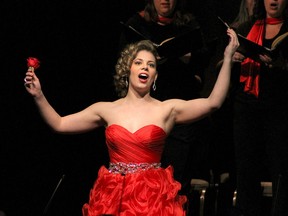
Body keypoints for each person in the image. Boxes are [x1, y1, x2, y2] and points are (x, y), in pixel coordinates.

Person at [24, 29, 239, 215]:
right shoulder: (106, 109)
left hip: (151, 197)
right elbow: (60, 124)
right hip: (112, 197)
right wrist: (38, 95)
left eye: (151, 65)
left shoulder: (167, 109)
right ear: (128, 70)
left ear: (155, 76)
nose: (144, 68)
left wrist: (228, 57)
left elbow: (214, 102)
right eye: (138, 62)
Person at [119, 0, 215, 196]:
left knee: (176, 176)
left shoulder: (187, 24)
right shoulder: (138, 23)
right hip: (146, 107)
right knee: (143, 172)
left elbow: (203, 59)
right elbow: (123, 58)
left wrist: (189, 58)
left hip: (179, 107)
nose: (166, 0)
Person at [230, 0, 288, 215]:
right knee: (246, 168)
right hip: (247, 106)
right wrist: (234, 58)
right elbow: (225, 71)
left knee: (280, 168)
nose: (274, 0)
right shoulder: (247, 28)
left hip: (279, 108)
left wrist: (281, 65)